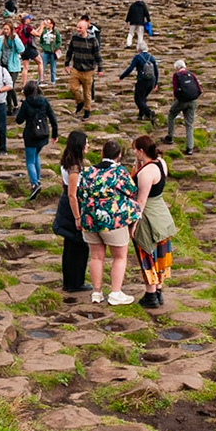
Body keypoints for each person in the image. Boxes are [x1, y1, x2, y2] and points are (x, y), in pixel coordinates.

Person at [74, 138, 141, 305]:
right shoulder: (119, 172)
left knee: (96, 257)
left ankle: (96, 293)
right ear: (119, 156)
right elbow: (131, 191)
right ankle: (115, 293)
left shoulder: (88, 171)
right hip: (113, 220)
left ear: (102, 153)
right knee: (119, 257)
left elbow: (80, 193)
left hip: (90, 219)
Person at [130, 136, 175, 309]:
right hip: (162, 214)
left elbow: (141, 201)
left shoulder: (146, 173)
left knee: (146, 253)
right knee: (161, 253)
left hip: (148, 217)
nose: (134, 152)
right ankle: (158, 290)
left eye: (135, 149)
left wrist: (133, 225)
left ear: (141, 151)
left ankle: (150, 294)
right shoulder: (161, 163)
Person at [51, 132, 90, 294]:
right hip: (73, 207)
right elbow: (72, 194)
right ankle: (75, 283)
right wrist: (77, 217)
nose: (88, 145)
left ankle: (70, 282)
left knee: (70, 246)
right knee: (79, 246)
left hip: (66, 205)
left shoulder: (66, 161)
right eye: (86, 143)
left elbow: (64, 185)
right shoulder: (75, 167)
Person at [16, 81, 57, 196]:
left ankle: (34, 184)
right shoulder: (44, 101)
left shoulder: (26, 104)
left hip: (30, 135)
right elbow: (53, 118)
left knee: (30, 160)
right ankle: (38, 179)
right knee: (36, 155)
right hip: (43, 135)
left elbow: (19, 120)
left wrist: (21, 109)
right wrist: (55, 134)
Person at [64, 17, 102, 118]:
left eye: (80, 28)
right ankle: (80, 102)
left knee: (87, 92)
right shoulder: (74, 38)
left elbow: (97, 55)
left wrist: (100, 69)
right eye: (77, 27)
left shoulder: (93, 40)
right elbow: (69, 51)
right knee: (73, 88)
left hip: (88, 69)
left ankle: (87, 111)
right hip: (76, 68)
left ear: (86, 28)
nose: (78, 29)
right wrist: (67, 64)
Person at [165, 60, 202, 155]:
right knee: (189, 124)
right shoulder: (192, 74)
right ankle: (190, 147)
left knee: (171, 115)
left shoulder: (176, 76)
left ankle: (170, 136)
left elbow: (175, 90)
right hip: (192, 101)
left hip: (181, 101)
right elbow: (199, 89)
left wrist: (178, 100)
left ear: (177, 68)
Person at [120, 46, 160, 123]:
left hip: (142, 81)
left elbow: (130, 68)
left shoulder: (137, 57)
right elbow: (156, 71)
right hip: (151, 81)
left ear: (139, 49)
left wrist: (121, 77)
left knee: (138, 99)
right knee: (143, 98)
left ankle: (149, 113)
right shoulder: (151, 57)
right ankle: (141, 115)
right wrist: (156, 83)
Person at [0, 20, 26, 112]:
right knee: (7, 86)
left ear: (11, 29)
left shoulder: (15, 39)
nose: (5, 31)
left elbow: (21, 49)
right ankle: (14, 105)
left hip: (14, 67)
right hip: (3, 65)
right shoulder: (1, 39)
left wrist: (16, 38)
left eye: (7, 29)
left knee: (10, 86)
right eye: (4, 29)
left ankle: (10, 108)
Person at [37, 19, 60, 86]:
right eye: (46, 23)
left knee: (53, 67)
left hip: (53, 52)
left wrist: (55, 48)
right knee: (42, 66)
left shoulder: (56, 32)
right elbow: (40, 41)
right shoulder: (44, 32)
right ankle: (40, 80)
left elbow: (59, 42)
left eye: (48, 23)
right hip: (45, 52)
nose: (47, 24)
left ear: (52, 24)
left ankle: (53, 81)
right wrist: (43, 47)